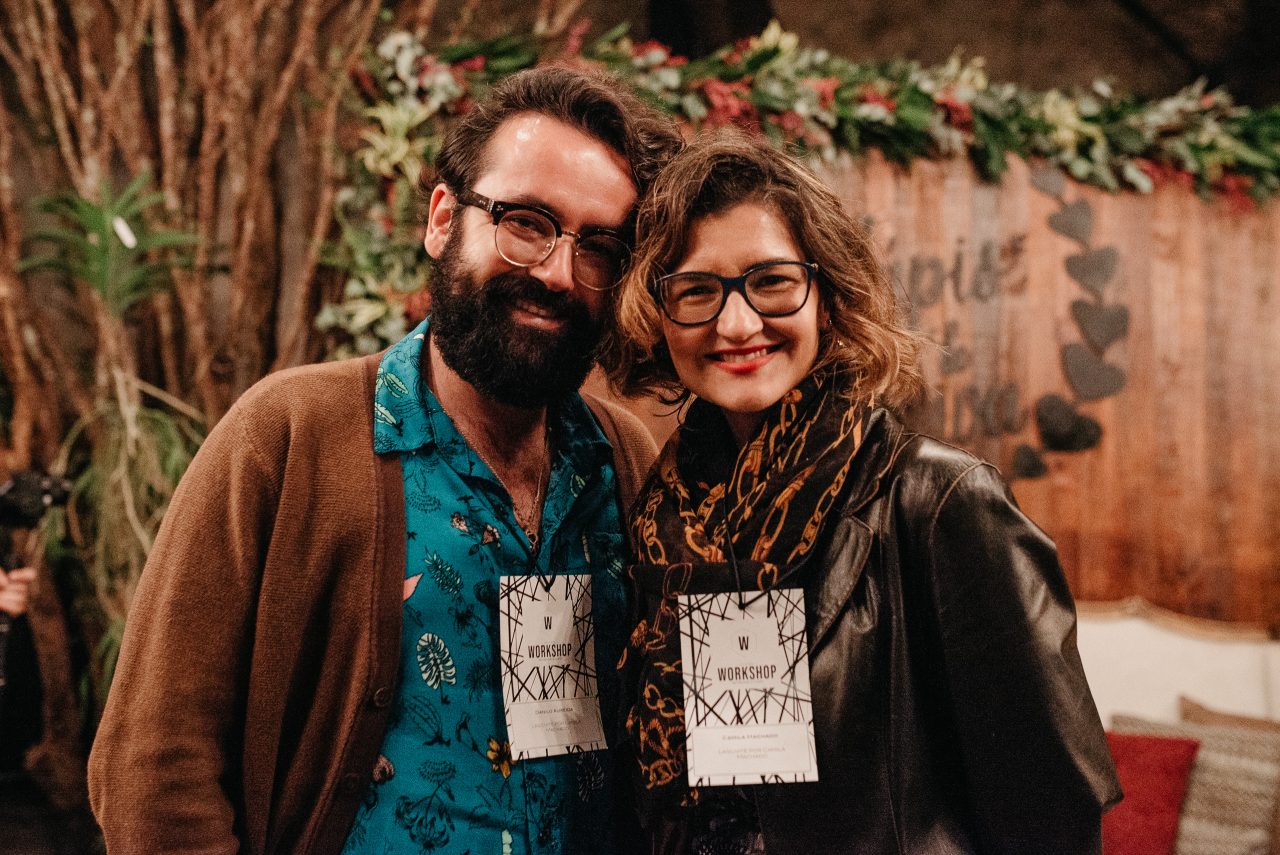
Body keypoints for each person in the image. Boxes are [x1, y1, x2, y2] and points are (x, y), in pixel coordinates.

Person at [89, 66, 682, 854]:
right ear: (443, 219)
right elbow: (154, 763)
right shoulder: (288, 437)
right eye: (526, 222)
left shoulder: (624, 461)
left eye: (598, 247)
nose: (555, 272)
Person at [602, 133, 1122, 854]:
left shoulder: (938, 501)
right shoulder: (662, 519)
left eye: (771, 281)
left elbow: (1052, 814)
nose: (736, 323)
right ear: (658, 318)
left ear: (829, 297)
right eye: (696, 290)